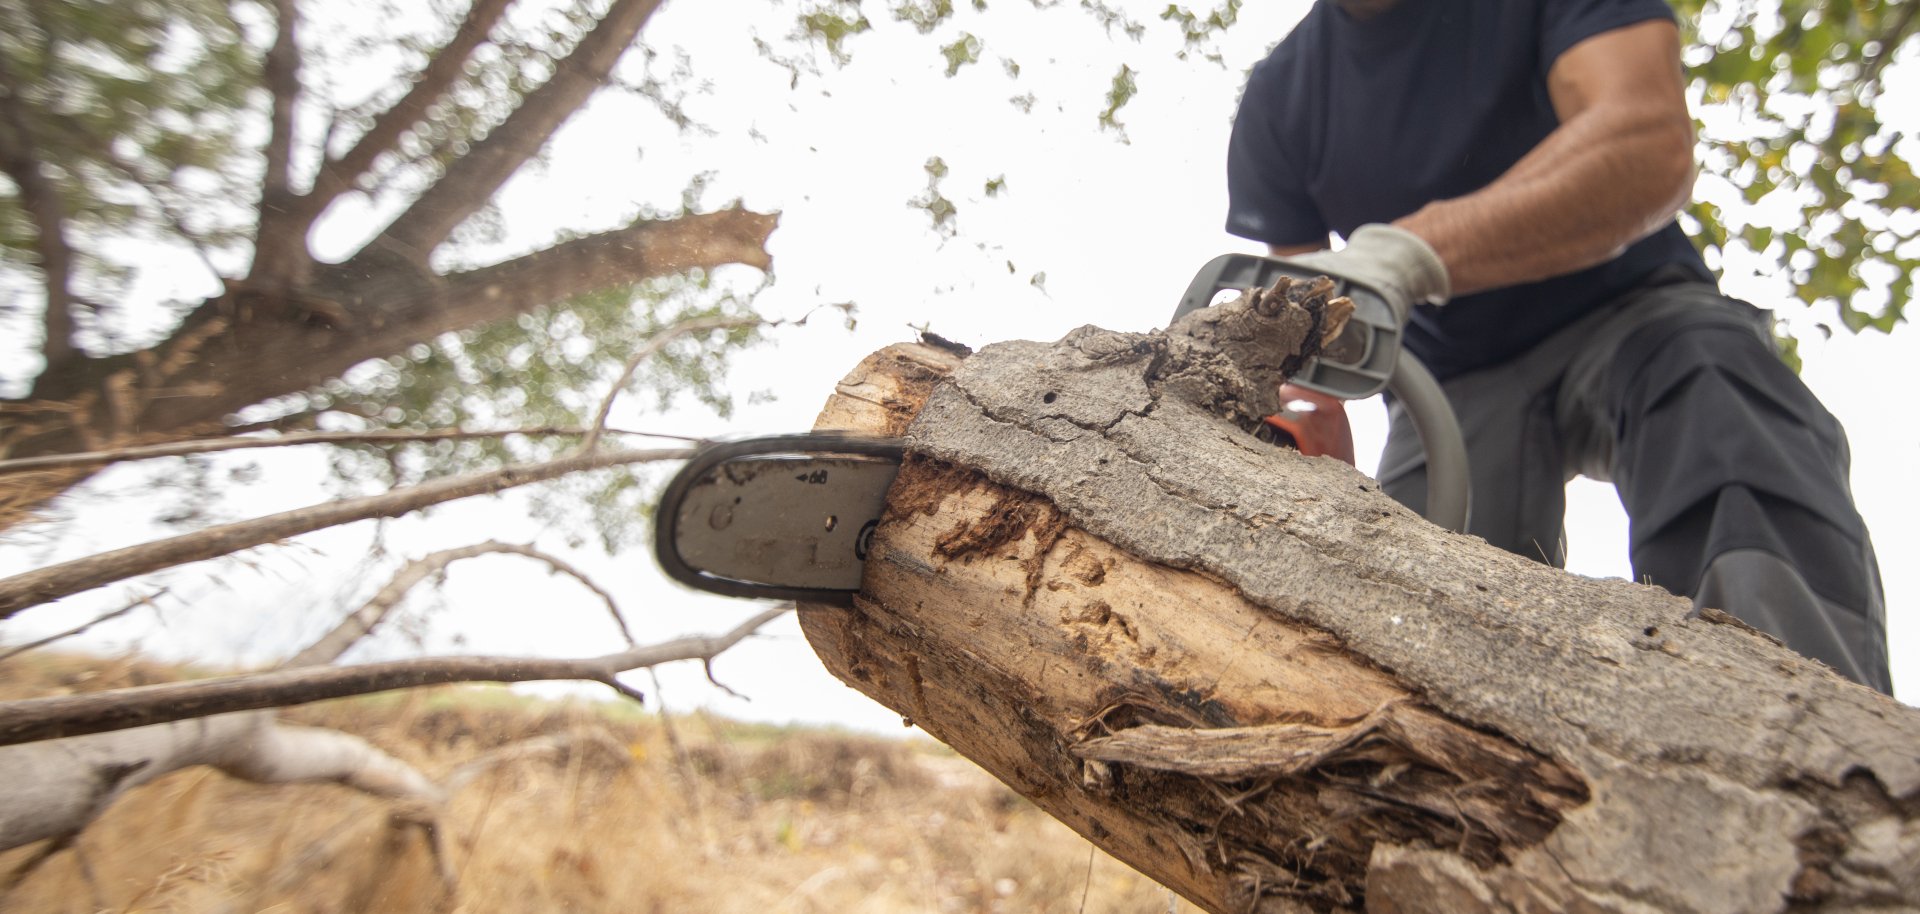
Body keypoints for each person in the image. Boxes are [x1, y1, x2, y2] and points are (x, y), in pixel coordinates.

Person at [1224, 0, 1892, 692]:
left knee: (1723, 405)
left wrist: (1413, 251)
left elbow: (1645, 140)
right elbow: (1300, 320)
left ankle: (1806, 720)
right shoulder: (1280, 98)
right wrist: (1307, 445)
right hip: (1452, 382)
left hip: (1636, 310)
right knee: (1402, 602)